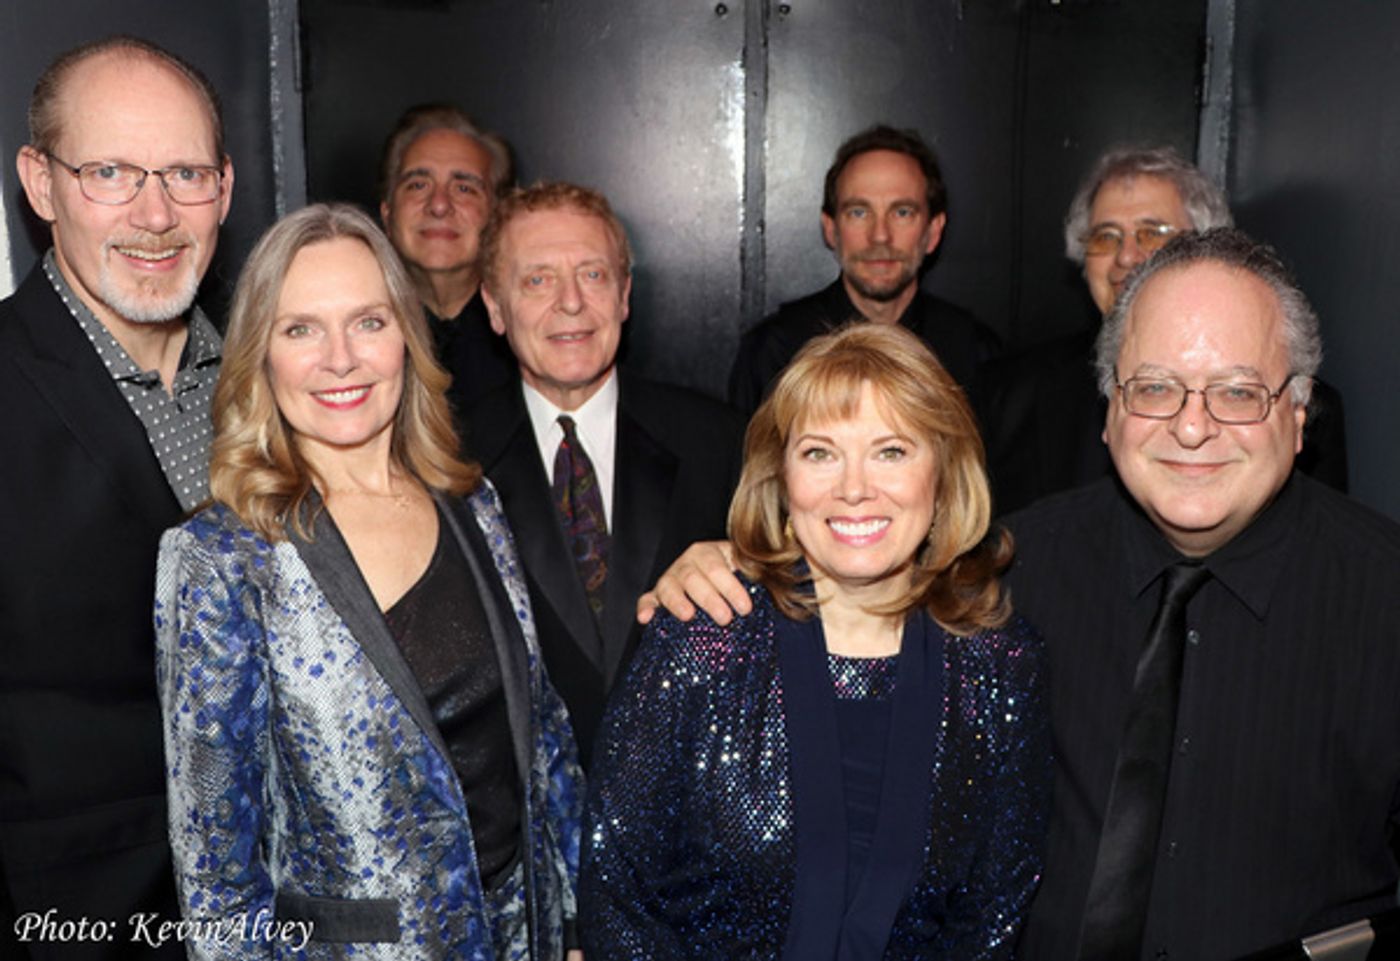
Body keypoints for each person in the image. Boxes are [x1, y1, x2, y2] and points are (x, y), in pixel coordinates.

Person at [642, 228, 1400, 960]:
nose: (1192, 426)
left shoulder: (1382, 599)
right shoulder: (999, 573)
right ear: (1109, 411)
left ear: (1299, 414)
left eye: (1238, 391)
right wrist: (736, 562)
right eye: (1155, 388)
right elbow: (857, 572)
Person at [154, 204, 582, 959]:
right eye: (301, 329)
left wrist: (576, 920)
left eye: (368, 322)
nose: (341, 358)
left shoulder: (472, 505)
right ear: (261, 355)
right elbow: (216, 870)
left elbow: (543, 736)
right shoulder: (223, 558)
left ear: (407, 339)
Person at [583, 323, 1051, 959]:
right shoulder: (702, 637)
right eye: (820, 453)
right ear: (782, 480)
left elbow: (993, 914)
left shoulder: (1000, 664)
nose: (853, 488)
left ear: (942, 478)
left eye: (891, 451)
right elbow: (619, 896)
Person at [1, 36, 232, 960]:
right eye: (109, 172)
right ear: (41, 183)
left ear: (225, 186)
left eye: (184, 172)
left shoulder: (284, 384)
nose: (156, 213)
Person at [468, 181, 744, 765]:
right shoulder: (444, 460)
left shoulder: (720, 442)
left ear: (624, 296)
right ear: (494, 307)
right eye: (538, 279)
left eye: (592, 275)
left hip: (689, 823)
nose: (571, 302)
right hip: (524, 835)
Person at [981, 145, 1347, 512]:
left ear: (1207, 245)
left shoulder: (1295, 404)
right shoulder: (1010, 393)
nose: (1126, 257)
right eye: (1105, 236)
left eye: (1152, 232)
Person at [728, 124, 1000, 416]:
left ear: (933, 232)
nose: (880, 235)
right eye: (859, 212)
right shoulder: (774, 352)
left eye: (902, 212)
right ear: (831, 229)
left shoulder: (976, 353)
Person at [379, 103, 517, 412]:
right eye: (418, 185)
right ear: (387, 215)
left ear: (499, 217)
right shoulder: (353, 343)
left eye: (464, 188)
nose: (439, 205)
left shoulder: (532, 339)